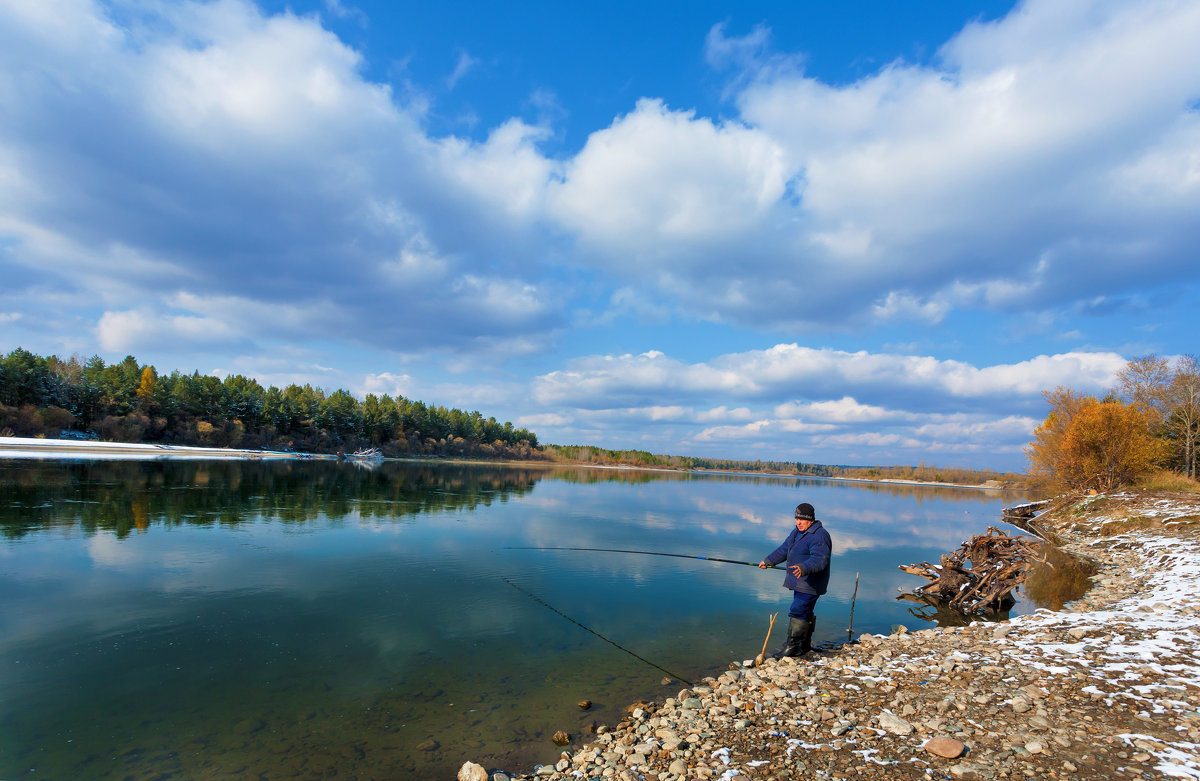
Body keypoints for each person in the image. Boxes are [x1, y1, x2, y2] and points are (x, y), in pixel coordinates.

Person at [758, 502, 832, 658]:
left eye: (802, 520)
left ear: (810, 519)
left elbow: (820, 559)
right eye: (796, 519)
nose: (798, 522)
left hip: (811, 583)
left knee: (798, 610)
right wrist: (769, 561)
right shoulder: (796, 532)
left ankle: (792, 647)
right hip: (801, 582)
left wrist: (804, 567)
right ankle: (803, 645)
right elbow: (785, 549)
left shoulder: (819, 535)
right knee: (804, 610)